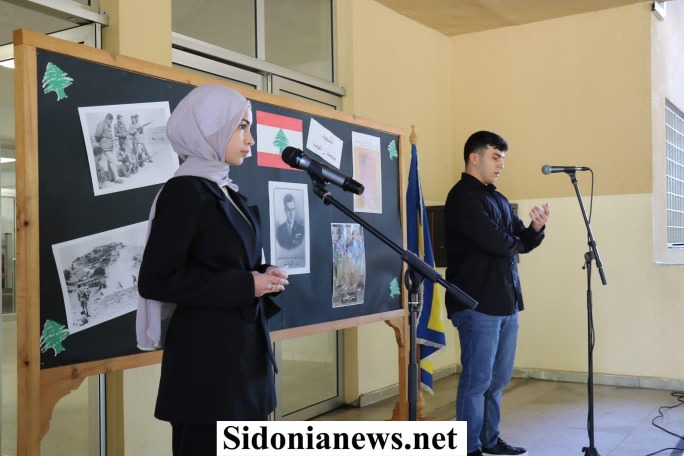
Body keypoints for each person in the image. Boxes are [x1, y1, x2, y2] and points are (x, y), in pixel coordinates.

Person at [137, 84, 289, 456]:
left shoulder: (226, 191)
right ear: (208, 129)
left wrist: (264, 275)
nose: (250, 140)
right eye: (241, 127)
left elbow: (224, 262)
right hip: (207, 373)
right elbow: (157, 279)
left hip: (242, 363)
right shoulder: (186, 192)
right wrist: (246, 285)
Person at [444, 131, 550, 456]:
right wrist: (516, 242)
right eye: (495, 157)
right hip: (476, 303)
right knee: (476, 381)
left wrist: (536, 228)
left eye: (503, 158)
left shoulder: (498, 199)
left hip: (506, 301)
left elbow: (520, 240)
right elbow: (495, 242)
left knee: (498, 380)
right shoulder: (462, 197)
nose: (501, 164)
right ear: (474, 157)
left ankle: (490, 439)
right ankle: (469, 446)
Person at [93, 113, 123, 184]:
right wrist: (101, 143)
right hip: (105, 146)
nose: (111, 123)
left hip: (109, 147)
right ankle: (117, 178)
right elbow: (97, 135)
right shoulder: (101, 124)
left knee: (110, 162)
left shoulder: (108, 125)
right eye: (110, 121)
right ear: (107, 118)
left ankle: (111, 177)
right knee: (113, 161)